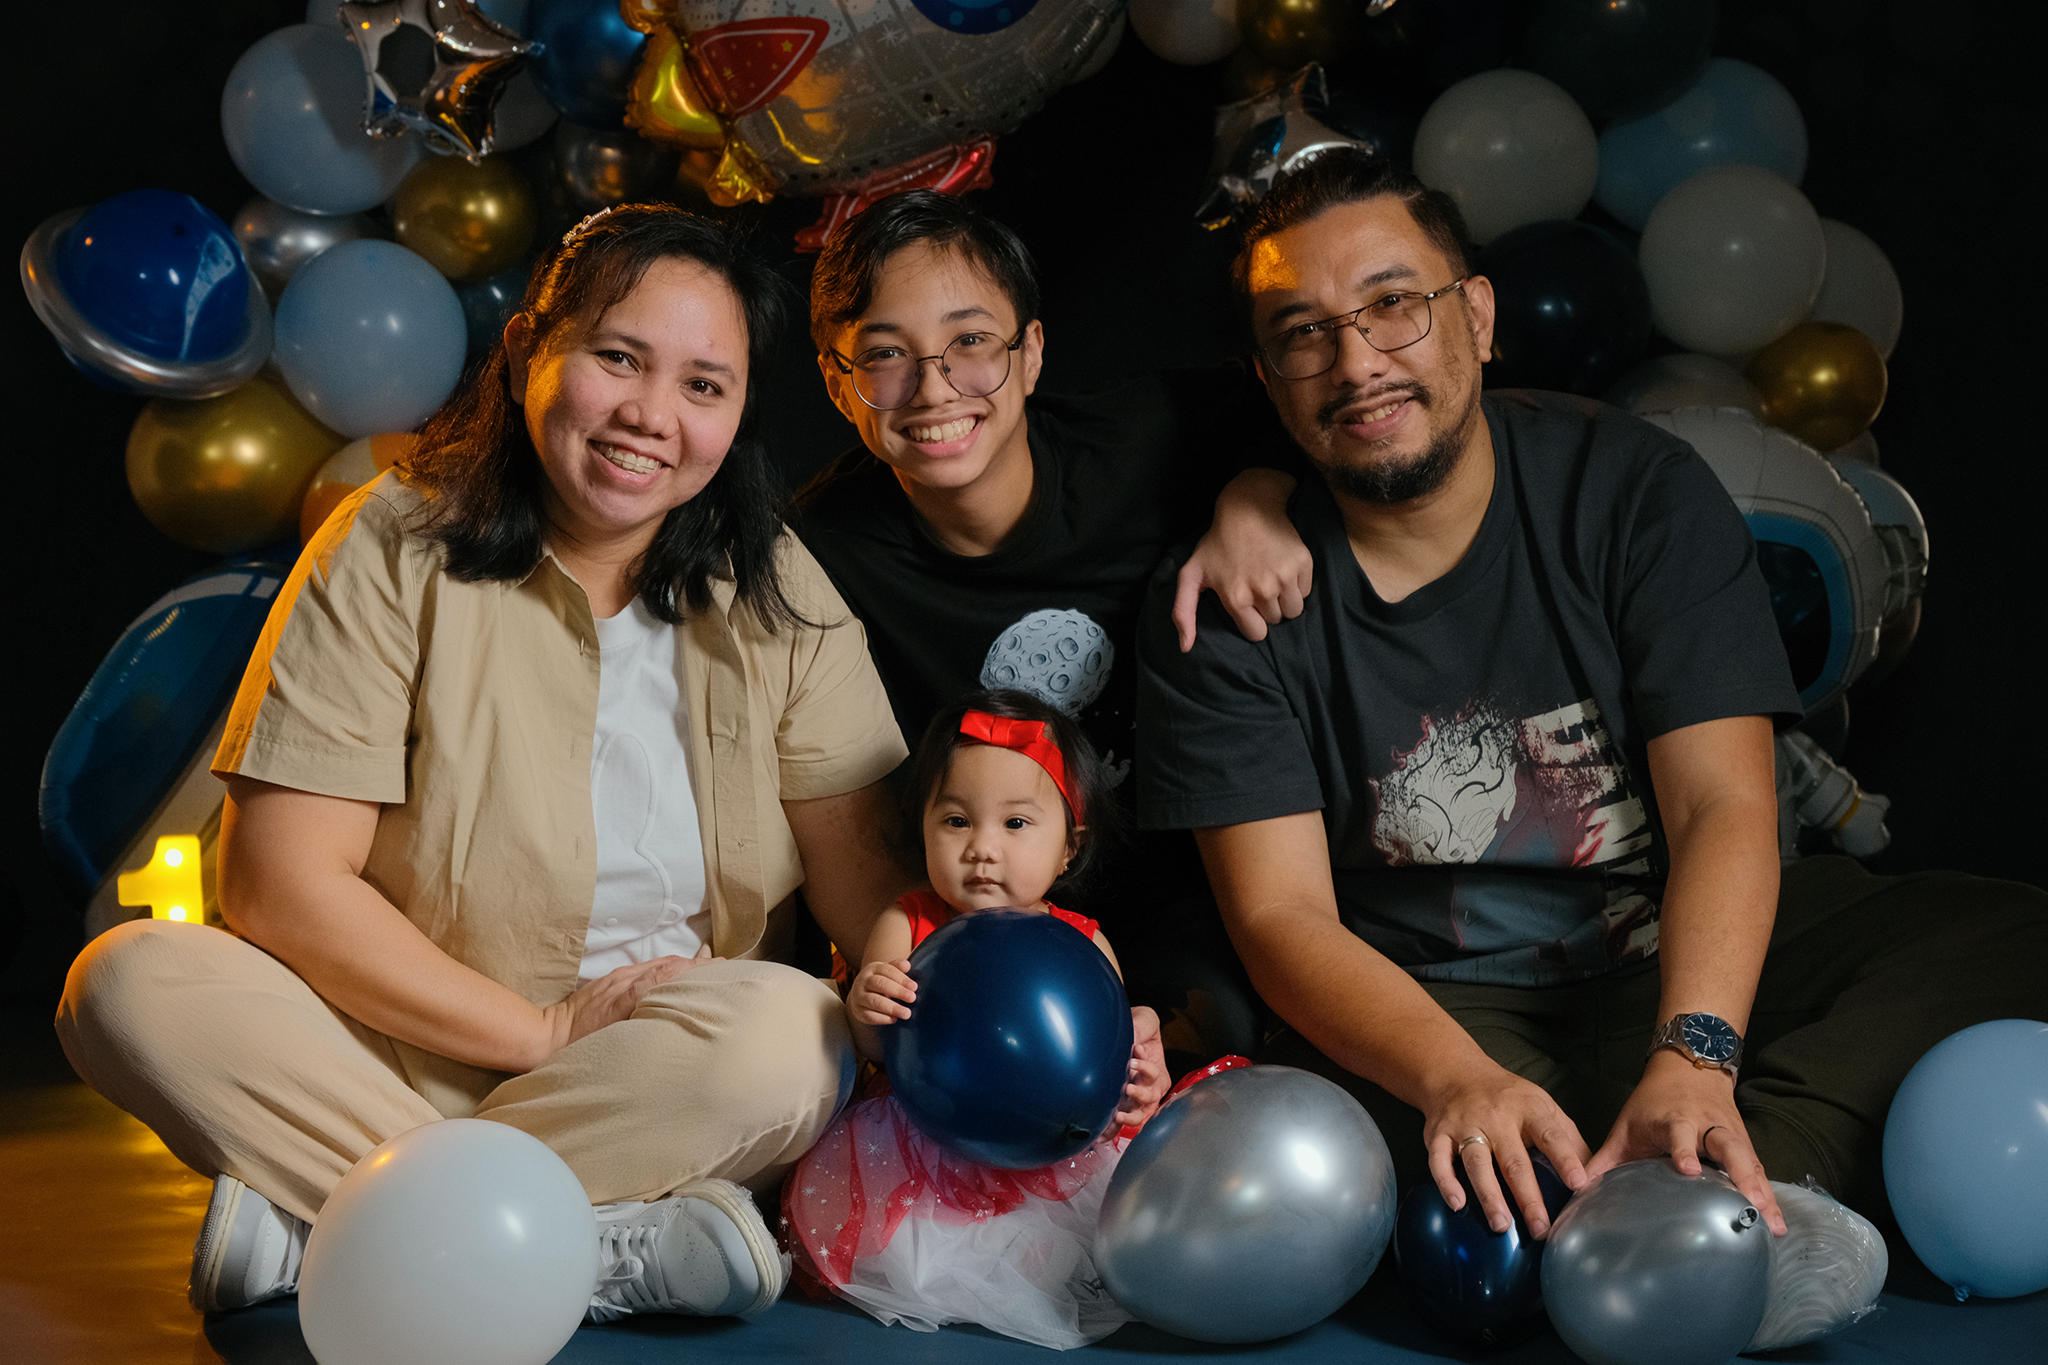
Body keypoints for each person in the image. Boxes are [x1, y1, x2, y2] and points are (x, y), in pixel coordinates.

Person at [1135, 149, 2048, 1252]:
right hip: (1439, 1006)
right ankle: (1703, 1216)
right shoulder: (1223, 601)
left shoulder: (1633, 490)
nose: (1357, 361)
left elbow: (1721, 804)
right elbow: (1280, 919)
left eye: (1394, 306)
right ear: (1268, 375)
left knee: (2016, 937)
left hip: (1676, 954)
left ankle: (1719, 1188)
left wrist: (1695, 1051)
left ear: (1477, 316)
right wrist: (1454, 1078)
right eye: (1304, 332)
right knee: (1387, 1155)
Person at [55, 205, 912, 1325]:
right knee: (125, 983)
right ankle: (600, 1247)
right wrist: (541, 1034)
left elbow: (872, 892)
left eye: (703, 385)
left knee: (794, 1041)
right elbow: (280, 884)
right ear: (522, 355)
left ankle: (341, 1221)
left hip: (654, 1080)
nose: (652, 416)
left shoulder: (774, 584)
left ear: (739, 410)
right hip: (386, 1053)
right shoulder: (390, 540)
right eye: (618, 358)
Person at [789, 190, 1312, 1066]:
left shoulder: (1147, 441)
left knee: (1209, 1041)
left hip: (1188, 887)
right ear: (840, 385)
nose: (934, 388)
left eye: (970, 342)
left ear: (1030, 352)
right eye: (885, 355)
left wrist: (1255, 495)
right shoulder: (814, 552)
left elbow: (1298, 405)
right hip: (977, 912)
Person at [782, 689, 1169, 1349]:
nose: (982, 848)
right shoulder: (907, 922)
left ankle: (1033, 1261)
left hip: (1047, 1150)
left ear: (1069, 848)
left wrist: (1135, 1087)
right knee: (915, 1245)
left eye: (1015, 823)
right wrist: (867, 1002)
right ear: (924, 827)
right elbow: (874, 1046)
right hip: (923, 1141)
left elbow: (1096, 1066)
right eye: (957, 820)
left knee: (1091, 1232)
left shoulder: (1083, 944)